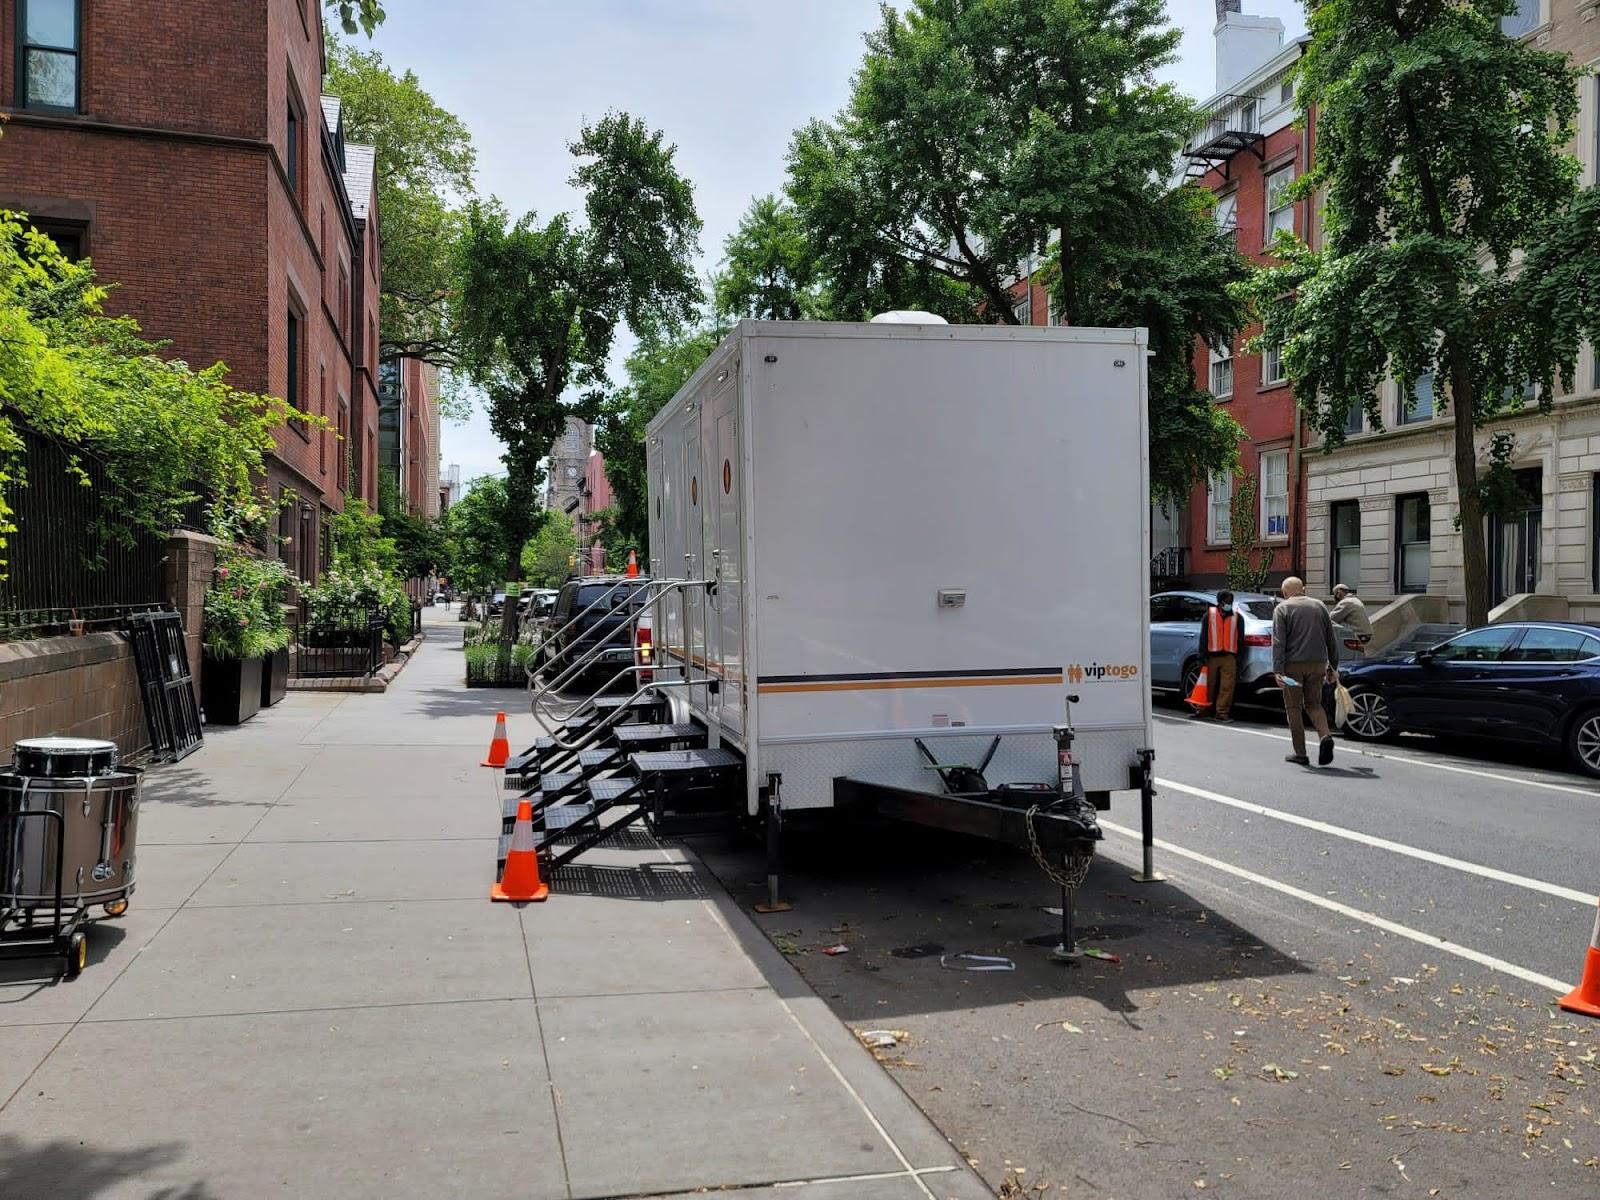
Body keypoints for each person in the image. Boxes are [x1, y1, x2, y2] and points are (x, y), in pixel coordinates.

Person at [1273, 576, 1340, 766]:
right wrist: (1333, 667)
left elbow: (1278, 643)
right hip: (1318, 664)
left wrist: (1277, 670)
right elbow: (1331, 639)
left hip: (1292, 666)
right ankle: (1325, 736)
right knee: (1314, 704)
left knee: (1293, 708)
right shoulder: (1319, 606)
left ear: (1285, 593)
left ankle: (1300, 753)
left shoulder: (1283, 608)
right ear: (1303, 588)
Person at [1196, 589, 1245, 722]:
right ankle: (1202, 710)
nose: (1229, 604)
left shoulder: (1237, 617)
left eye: (1231, 601)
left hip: (1229, 657)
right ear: (1220, 602)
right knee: (1208, 685)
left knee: (1227, 687)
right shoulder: (1209, 615)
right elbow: (1203, 637)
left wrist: (1239, 659)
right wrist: (1202, 657)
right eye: (1227, 601)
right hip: (1211, 656)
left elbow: (1240, 639)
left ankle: (1221, 713)